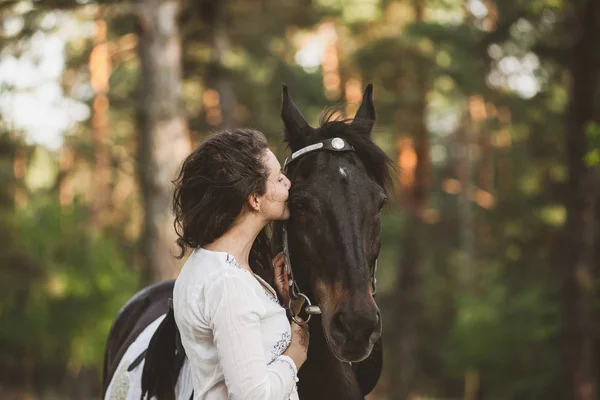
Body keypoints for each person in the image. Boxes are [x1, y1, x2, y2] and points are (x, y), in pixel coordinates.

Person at [171, 128, 309, 400]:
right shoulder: (227, 283)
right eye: (279, 178)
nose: (289, 184)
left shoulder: (207, 264)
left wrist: (277, 305)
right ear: (254, 199)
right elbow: (252, 396)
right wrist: (295, 355)